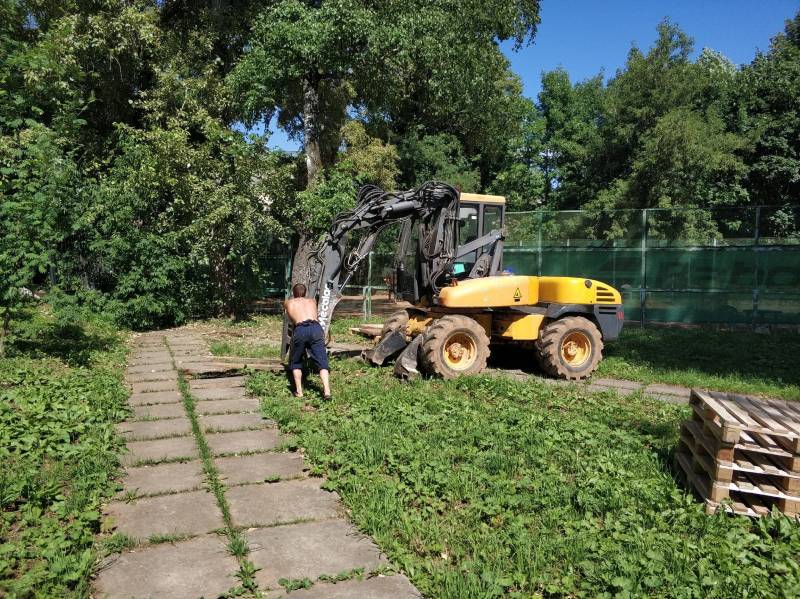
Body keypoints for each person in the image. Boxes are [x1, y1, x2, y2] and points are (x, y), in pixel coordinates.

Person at [284, 283, 331, 399]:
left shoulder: (288, 302)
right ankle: (327, 391)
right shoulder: (312, 301)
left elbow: (291, 320)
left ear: (293, 293)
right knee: (322, 361)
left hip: (300, 329)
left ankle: (299, 392)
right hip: (316, 328)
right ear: (305, 293)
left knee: (296, 361)